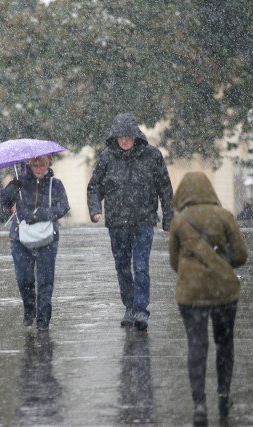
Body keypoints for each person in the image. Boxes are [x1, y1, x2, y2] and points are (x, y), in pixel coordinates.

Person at [169, 172, 248, 426]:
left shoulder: (179, 221)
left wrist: (192, 273)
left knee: (197, 345)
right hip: (223, 292)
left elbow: (174, 261)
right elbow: (241, 255)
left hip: (191, 295)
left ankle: (200, 404)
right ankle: (223, 395)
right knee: (225, 344)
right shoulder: (224, 216)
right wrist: (221, 264)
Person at [87, 112, 173, 331]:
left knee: (141, 266)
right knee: (122, 267)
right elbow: (95, 186)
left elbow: (165, 187)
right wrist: (95, 209)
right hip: (117, 223)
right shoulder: (107, 157)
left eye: (127, 136)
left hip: (143, 221)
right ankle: (129, 306)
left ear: (135, 135)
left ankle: (141, 310)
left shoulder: (152, 156)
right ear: (114, 138)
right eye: (120, 136)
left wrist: (168, 219)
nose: (124, 140)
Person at [1, 156, 70, 331]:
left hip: (47, 238)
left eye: (42, 165)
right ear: (29, 165)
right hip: (20, 238)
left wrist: (41, 214)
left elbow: (63, 207)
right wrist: (11, 188)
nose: (38, 168)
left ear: (49, 164)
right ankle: (29, 308)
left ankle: (43, 320)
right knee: (24, 278)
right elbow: (4, 203)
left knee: (45, 280)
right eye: (35, 165)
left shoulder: (56, 184)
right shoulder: (20, 183)